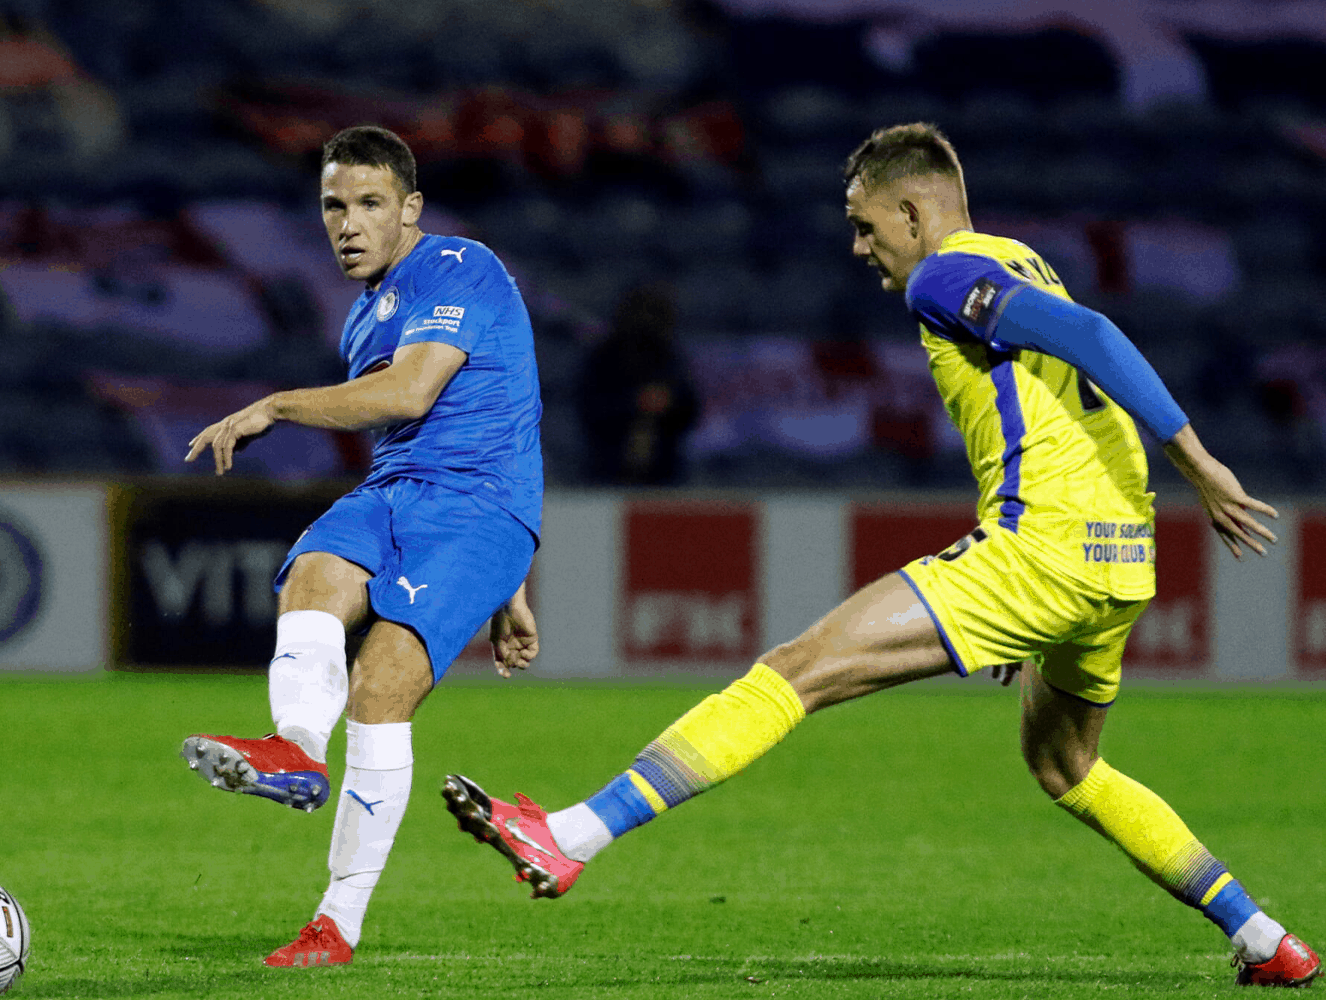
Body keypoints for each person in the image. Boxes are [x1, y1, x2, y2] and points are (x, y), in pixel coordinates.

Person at [441, 122, 1319, 988]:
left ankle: (571, 836)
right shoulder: (1016, 257)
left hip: (1043, 549)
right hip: (1117, 556)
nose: (858, 247)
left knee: (796, 670)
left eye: (864, 226)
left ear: (910, 210)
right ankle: (1261, 936)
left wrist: (1196, 461)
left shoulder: (942, 275)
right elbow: (1059, 396)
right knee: (1065, 765)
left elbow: (1091, 338)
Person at [182, 124, 543, 968]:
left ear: (409, 208)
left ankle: (334, 924)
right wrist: (512, 595)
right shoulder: (362, 316)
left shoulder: (459, 267)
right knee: (311, 572)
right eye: (333, 205)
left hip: (476, 509)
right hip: (395, 493)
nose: (348, 223)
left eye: (370, 204)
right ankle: (297, 755)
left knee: (379, 690)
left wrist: (275, 405)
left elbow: (413, 393)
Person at [578, 282, 701, 485]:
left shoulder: (669, 357)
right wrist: (635, 403)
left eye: (654, 313)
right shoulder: (603, 357)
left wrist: (668, 402)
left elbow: (690, 409)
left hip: (664, 469)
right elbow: (590, 409)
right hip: (607, 467)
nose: (646, 321)